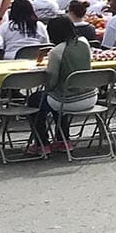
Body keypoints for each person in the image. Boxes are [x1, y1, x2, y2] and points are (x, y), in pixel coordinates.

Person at [28, 15, 95, 156]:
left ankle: (41, 143)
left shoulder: (56, 52)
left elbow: (51, 82)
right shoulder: (84, 43)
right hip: (90, 96)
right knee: (57, 98)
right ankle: (63, 139)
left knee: (36, 99)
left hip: (69, 101)